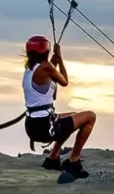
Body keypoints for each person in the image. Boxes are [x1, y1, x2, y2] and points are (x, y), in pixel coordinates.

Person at [22, 34, 96, 180]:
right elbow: (64, 81)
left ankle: (53, 158)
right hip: (44, 127)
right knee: (90, 117)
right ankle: (73, 161)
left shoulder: (30, 69)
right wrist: (60, 58)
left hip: (33, 125)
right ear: (46, 51)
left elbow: (45, 81)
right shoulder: (47, 67)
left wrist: (52, 63)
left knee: (72, 116)